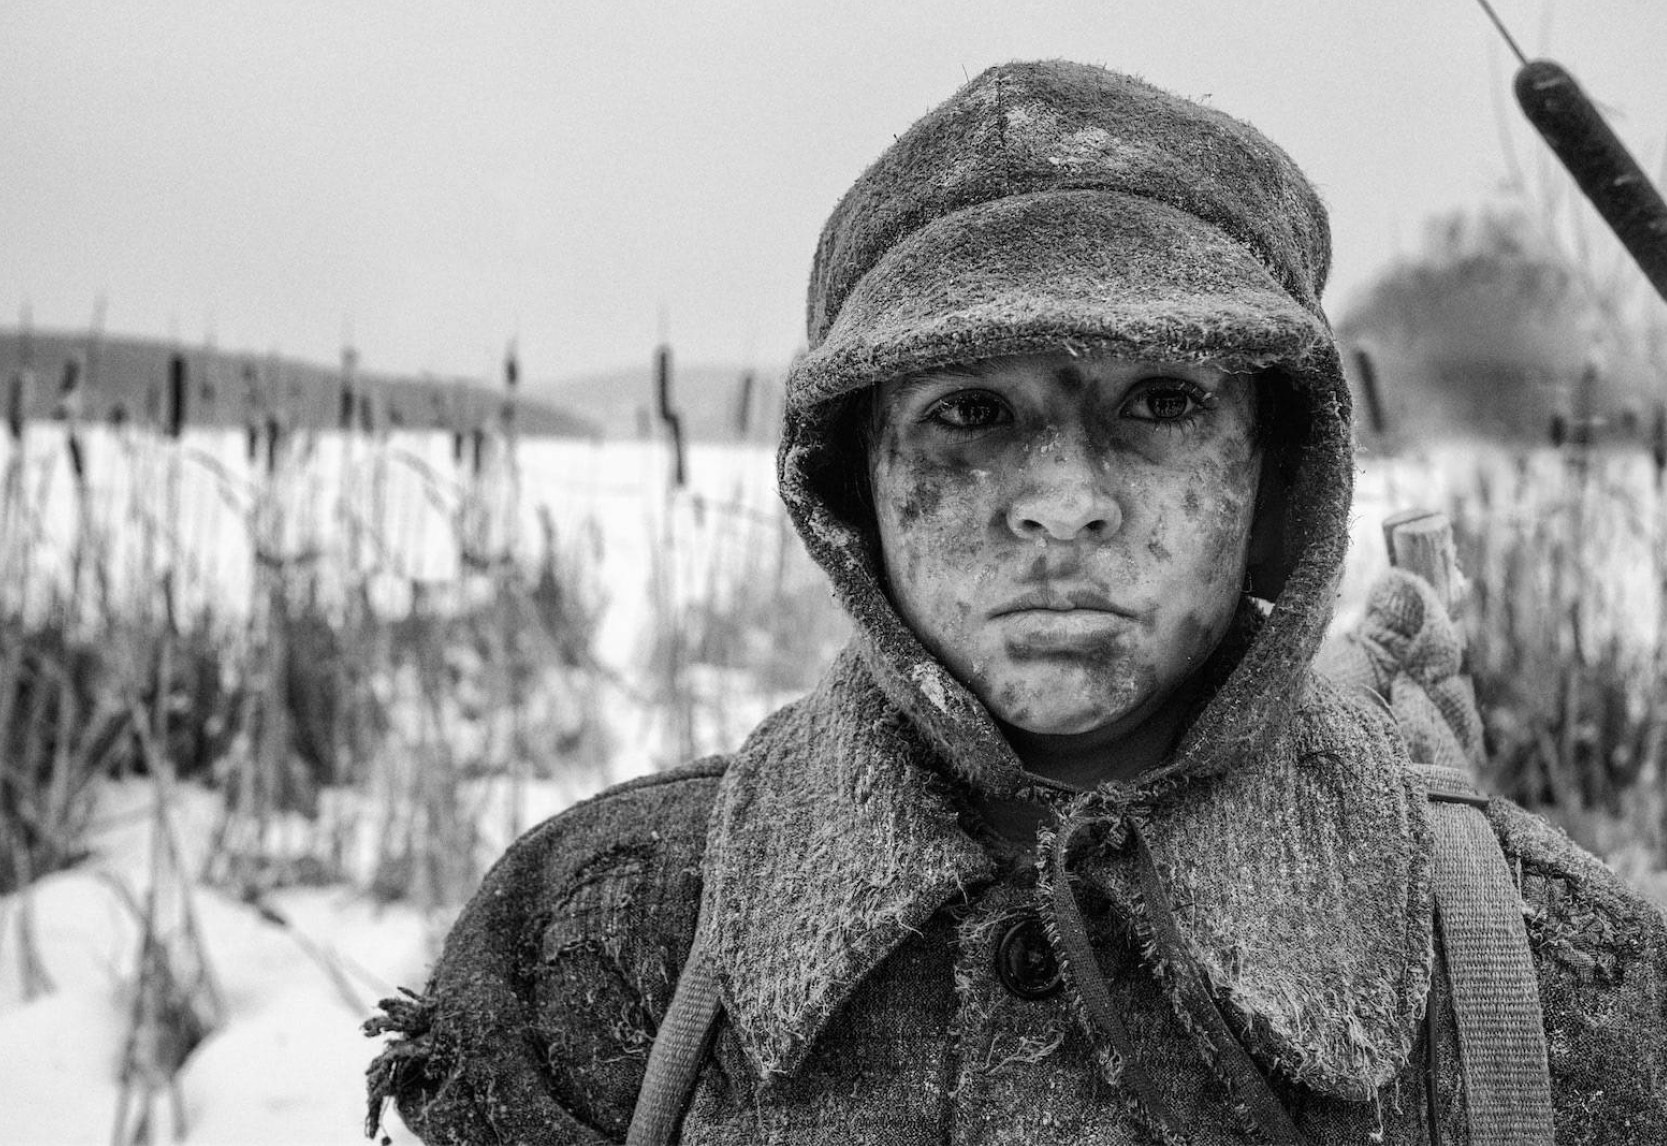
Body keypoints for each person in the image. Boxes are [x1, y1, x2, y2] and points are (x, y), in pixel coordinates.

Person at [365, 60, 1667, 1144]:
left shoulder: (1551, 976)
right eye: (970, 411)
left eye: (1162, 400)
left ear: (1279, 473)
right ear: (855, 485)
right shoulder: (613, 939)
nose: (1064, 503)